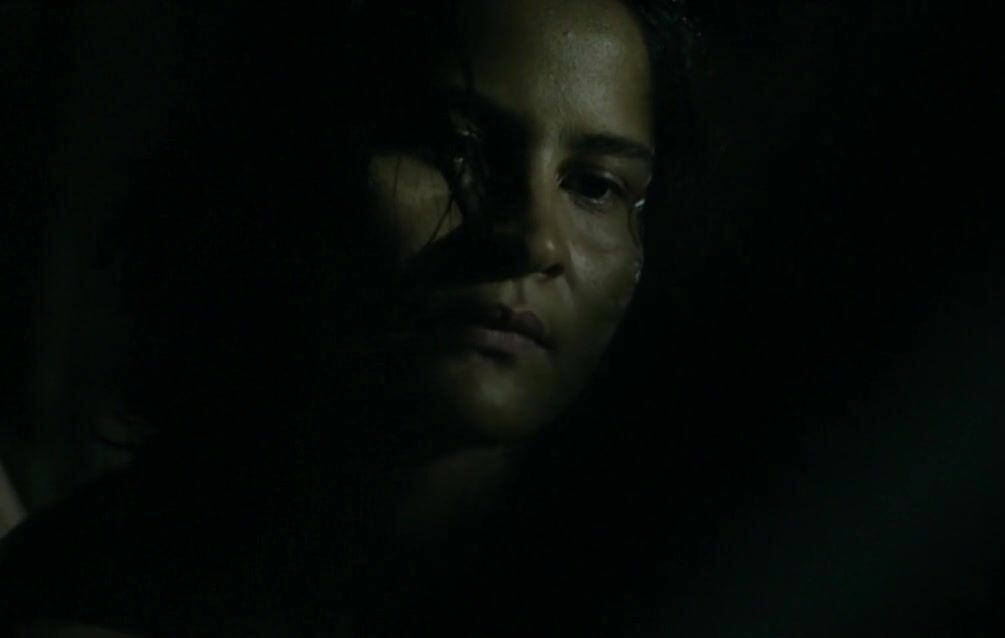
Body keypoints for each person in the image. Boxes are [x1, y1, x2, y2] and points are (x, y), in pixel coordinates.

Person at [0, 0, 704, 635]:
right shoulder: (87, 592)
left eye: (594, 186)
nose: (534, 240)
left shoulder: (703, 580)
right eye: (454, 147)